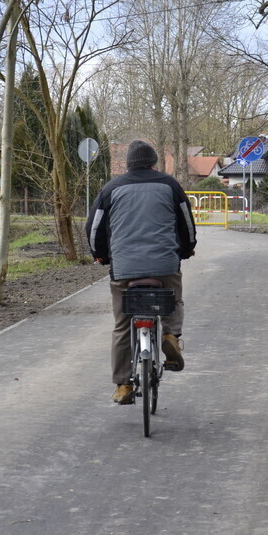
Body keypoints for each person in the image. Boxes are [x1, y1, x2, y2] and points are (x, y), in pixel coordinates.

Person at [85, 140, 197, 404]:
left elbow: (94, 229)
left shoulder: (111, 188)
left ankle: (123, 385)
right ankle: (170, 335)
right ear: (154, 162)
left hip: (124, 268)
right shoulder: (170, 185)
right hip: (164, 264)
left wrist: (99, 255)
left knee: (123, 325)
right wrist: (187, 249)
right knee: (174, 299)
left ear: (127, 164)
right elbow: (187, 224)